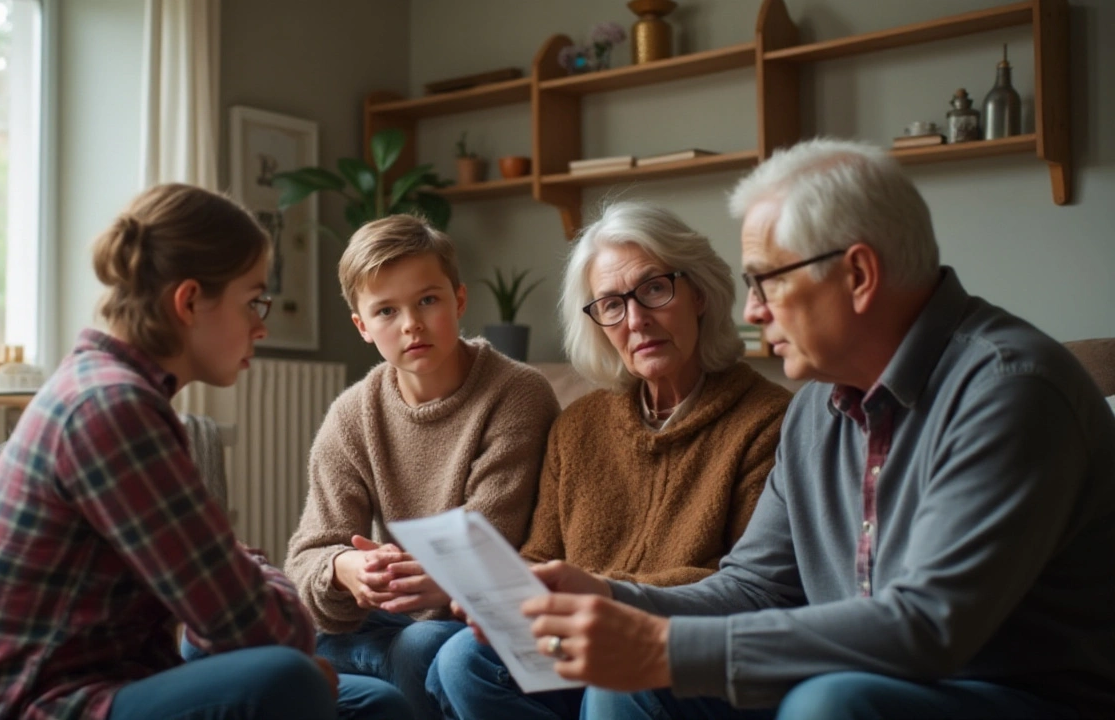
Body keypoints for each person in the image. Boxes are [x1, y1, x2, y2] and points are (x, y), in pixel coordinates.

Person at [512, 139, 1115, 720]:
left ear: (857, 275)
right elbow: (752, 587)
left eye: (767, 280)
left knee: (827, 704)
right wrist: (610, 597)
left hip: (1007, 693)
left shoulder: (1011, 390)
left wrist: (665, 649)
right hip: (855, 678)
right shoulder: (814, 410)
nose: (751, 312)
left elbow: (930, 625)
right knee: (636, 690)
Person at [0, 184, 410, 720]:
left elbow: (218, 584)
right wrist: (252, 573)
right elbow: (257, 623)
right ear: (190, 301)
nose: (261, 324)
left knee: (375, 705)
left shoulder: (113, 391)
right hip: (30, 706)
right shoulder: (111, 409)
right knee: (286, 679)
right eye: (252, 301)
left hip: (95, 683)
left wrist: (240, 571)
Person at [427, 201, 792, 720]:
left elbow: (744, 587)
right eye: (612, 305)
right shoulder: (578, 427)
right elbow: (541, 553)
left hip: (690, 652)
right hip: (577, 642)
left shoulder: (767, 421)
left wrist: (607, 593)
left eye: (654, 289)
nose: (637, 320)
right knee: (462, 660)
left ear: (700, 294)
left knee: (616, 685)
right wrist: (504, 595)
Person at [283, 214, 561, 720]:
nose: (411, 323)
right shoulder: (352, 414)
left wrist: (426, 580)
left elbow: (489, 544)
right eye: (386, 310)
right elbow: (308, 554)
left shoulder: (518, 394)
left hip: (470, 623)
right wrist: (348, 569)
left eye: (427, 300)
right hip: (384, 619)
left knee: (423, 645)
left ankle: (374, 674)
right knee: (280, 635)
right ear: (362, 327)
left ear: (458, 300)